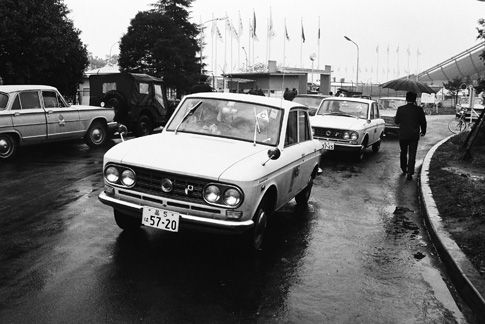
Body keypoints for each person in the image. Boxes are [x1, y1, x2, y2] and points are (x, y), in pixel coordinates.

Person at [394, 91, 427, 180]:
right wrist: (423, 131)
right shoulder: (419, 109)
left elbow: (396, 121)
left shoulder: (400, 109)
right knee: (412, 153)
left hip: (403, 134)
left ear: (406, 98)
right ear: (415, 99)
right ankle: (410, 172)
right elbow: (423, 122)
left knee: (403, 152)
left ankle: (404, 168)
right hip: (414, 135)